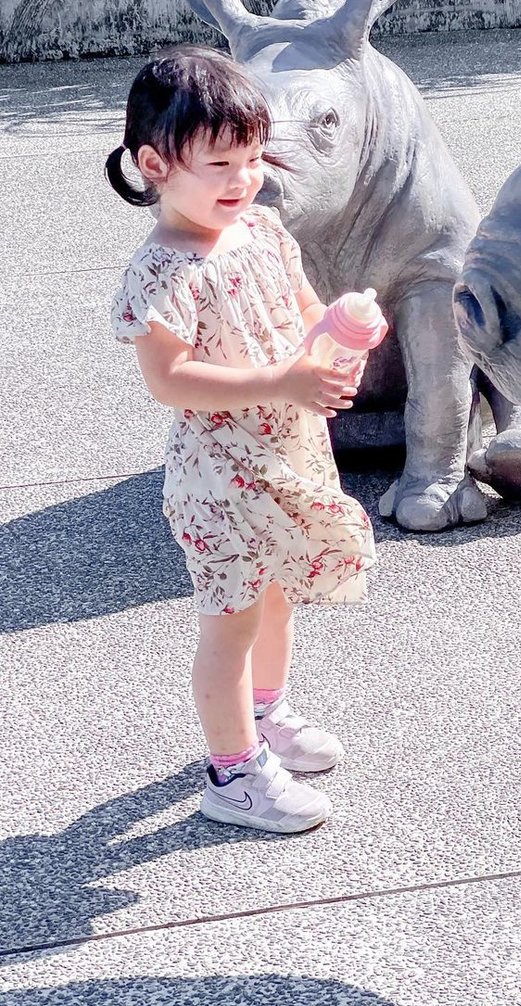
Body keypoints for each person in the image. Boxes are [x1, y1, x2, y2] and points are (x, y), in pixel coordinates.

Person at [109, 45, 376, 834]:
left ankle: (268, 715)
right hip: (219, 475)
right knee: (229, 621)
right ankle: (231, 774)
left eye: (254, 157)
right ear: (155, 164)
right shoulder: (162, 270)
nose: (243, 179)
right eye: (221, 162)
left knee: (275, 600)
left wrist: (337, 333)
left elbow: (300, 311)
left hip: (284, 452)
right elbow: (171, 380)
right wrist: (281, 383)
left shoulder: (261, 232)